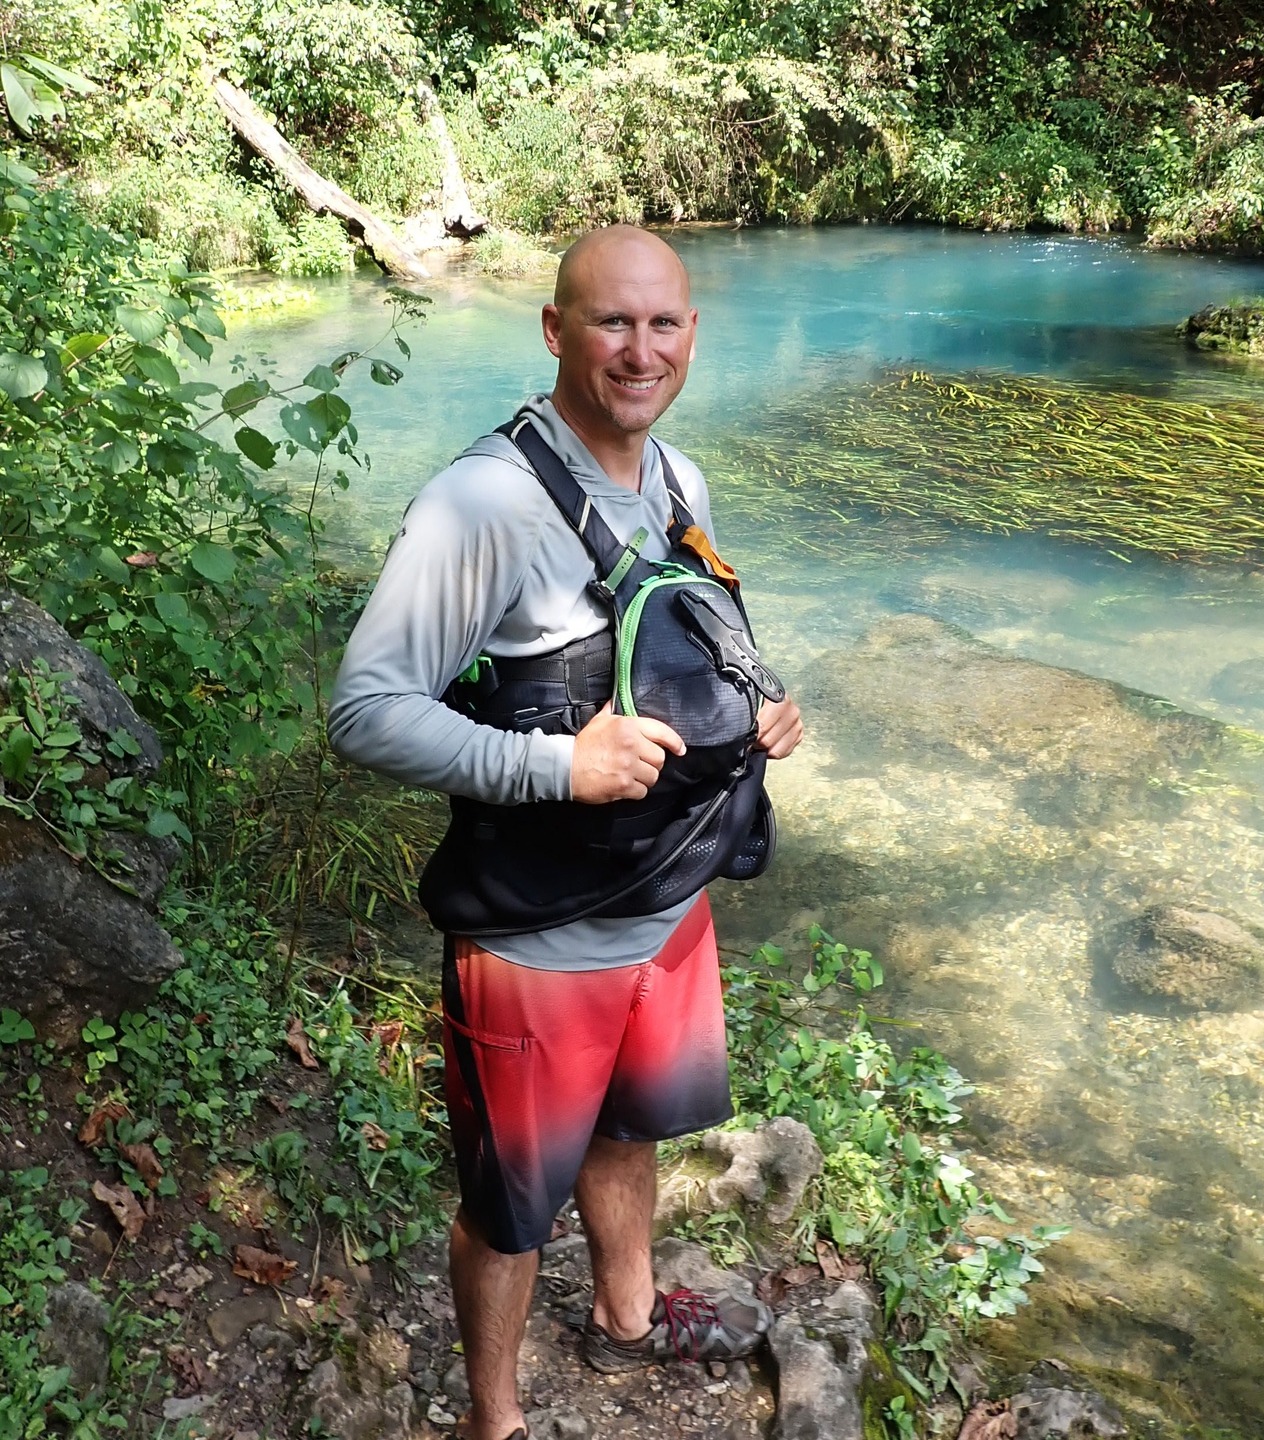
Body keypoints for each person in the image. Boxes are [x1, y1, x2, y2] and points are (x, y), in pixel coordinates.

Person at [328, 225, 804, 1440]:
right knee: (510, 1212)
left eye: (663, 324)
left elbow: (680, 644)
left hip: (667, 911)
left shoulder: (680, 481)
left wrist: (758, 705)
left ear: (692, 335)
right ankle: (494, 1422)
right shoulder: (483, 503)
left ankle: (627, 1317)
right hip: (536, 943)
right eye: (611, 323)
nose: (640, 352)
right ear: (555, 330)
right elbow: (366, 711)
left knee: (630, 1128)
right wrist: (557, 765)